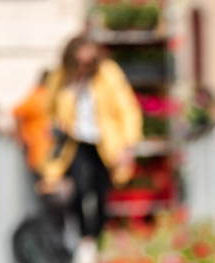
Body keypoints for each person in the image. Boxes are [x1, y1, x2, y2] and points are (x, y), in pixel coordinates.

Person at [41, 35, 142, 246]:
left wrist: (128, 144)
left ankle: (98, 238)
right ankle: (85, 238)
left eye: (88, 63)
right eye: (78, 62)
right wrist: (55, 125)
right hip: (74, 141)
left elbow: (127, 108)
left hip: (105, 142)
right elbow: (48, 109)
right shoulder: (61, 77)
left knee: (101, 191)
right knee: (76, 190)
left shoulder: (107, 73)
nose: (84, 67)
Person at [13, 71, 54, 174]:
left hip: (43, 150)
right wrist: (21, 135)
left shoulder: (39, 95)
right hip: (42, 150)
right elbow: (17, 112)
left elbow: (16, 112)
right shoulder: (40, 95)